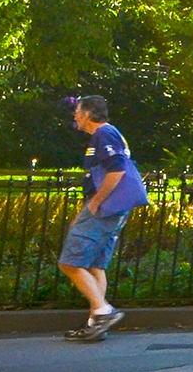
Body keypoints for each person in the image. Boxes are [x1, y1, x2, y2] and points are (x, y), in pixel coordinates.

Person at [60, 96, 147, 343]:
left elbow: (117, 169)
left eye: (77, 111)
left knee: (70, 262)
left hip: (104, 208)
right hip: (113, 209)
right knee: (96, 264)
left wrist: (96, 202)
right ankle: (94, 324)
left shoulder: (103, 134)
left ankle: (102, 311)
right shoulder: (109, 134)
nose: (75, 116)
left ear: (88, 114)